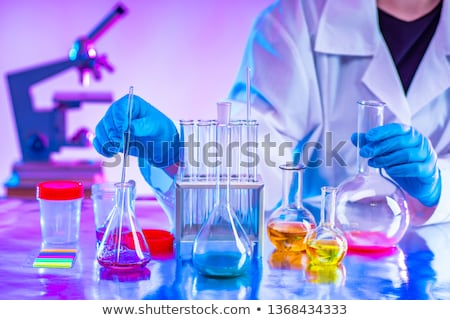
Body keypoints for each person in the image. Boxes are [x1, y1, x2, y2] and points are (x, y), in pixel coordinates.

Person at [94, 0, 449, 227]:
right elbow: (260, 155)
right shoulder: (295, 20)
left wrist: (439, 188)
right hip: (323, 274)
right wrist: (177, 154)